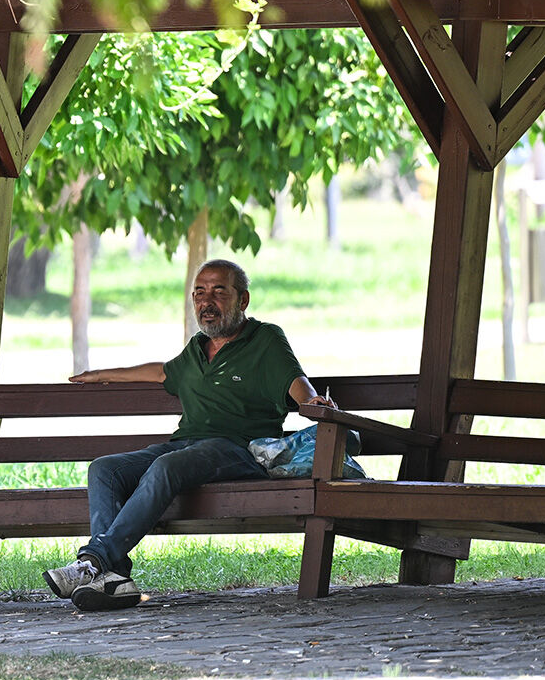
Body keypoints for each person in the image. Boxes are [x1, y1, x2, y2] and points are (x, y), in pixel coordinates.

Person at [43, 259, 334, 611]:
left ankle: (92, 562)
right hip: (187, 446)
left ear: (242, 300)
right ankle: (114, 580)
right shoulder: (197, 348)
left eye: (218, 291)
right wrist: (104, 373)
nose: (206, 301)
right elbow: (161, 373)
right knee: (104, 469)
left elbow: (296, 381)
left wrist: (313, 402)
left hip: (241, 449)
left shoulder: (265, 339)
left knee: (167, 467)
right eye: (199, 293)